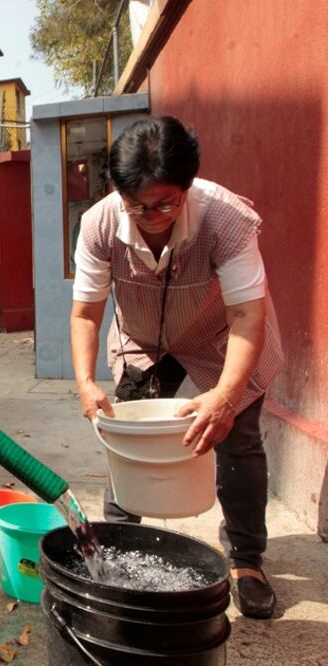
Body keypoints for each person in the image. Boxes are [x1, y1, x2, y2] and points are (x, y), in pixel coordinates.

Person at [70, 116, 283, 619]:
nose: (151, 216)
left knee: (238, 439)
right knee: (128, 438)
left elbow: (247, 314)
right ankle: (119, 548)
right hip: (144, 338)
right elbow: (86, 311)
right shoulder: (100, 223)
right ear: (119, 193)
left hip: (220, 339)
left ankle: (247, 561)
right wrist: (84, 382)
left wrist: (226, 397)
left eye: (166, 202)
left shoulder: (226, 219)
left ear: (187, 186)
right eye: (137, 205)